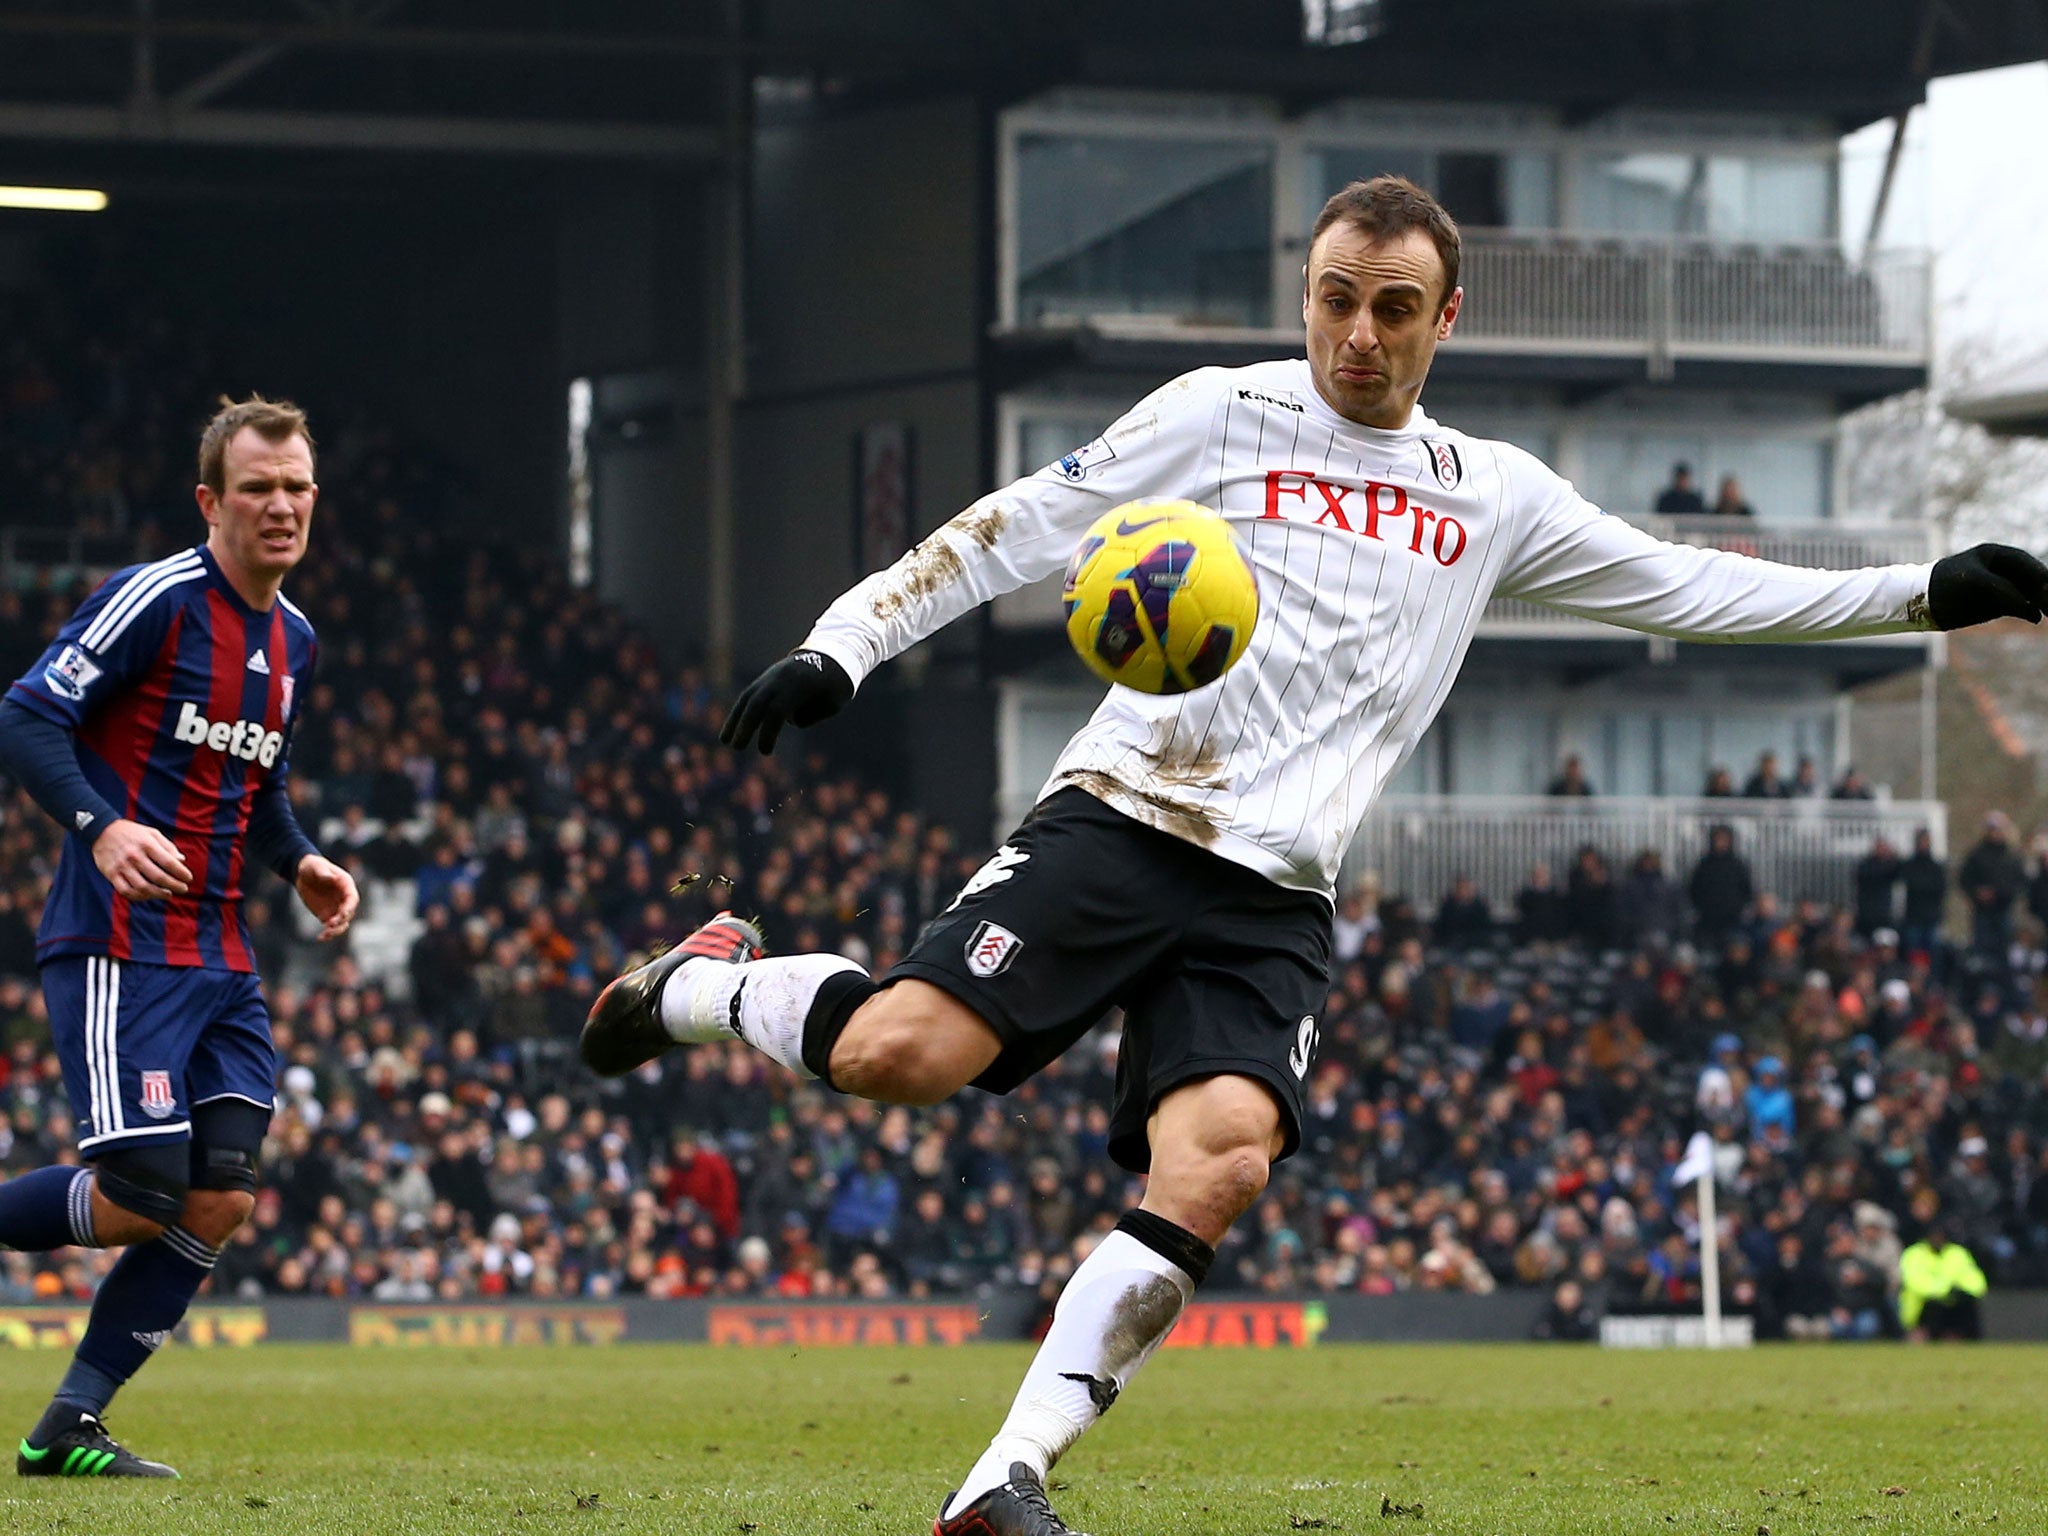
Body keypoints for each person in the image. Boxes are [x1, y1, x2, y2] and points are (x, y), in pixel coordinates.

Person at [582, 175, 2048, 1536]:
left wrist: (1925, 592)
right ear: (1307, 295)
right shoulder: (1221, 414)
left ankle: (997, 1482)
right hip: (1124, 817)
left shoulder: (1495, 494)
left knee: (1218, 1166)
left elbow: (1696, 587)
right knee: (901, 1057)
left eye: (1395, 305)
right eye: (1338, 296)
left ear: (1446, 317)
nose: (1360, 331)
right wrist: (844, 647)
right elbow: (1018, 525)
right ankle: (706, 985)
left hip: (1277, 892)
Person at [0, 397, 356, 1477]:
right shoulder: (157, 600)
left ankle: (68, 1427)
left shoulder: (293, 637)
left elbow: (260, 782)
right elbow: (25, 714)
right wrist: (101, 830)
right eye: (258, 488)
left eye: (296, 486)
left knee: (220, 1195)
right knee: (137, 1197)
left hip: (222, 956)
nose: (282, 505)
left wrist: (297, 857)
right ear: (212, 501)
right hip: (119, 942)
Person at [1897, 1222, 1987, 1340]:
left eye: (1940, 1236)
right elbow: (1916, 1282)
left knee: (1966, 1305)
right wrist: (1945, 1290)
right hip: (1922, 1308)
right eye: (1934, 1236)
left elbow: (1974, 1280)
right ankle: (1921, 1336)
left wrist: (1962, 1291)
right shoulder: (1914, 1253)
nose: (1937, 1239)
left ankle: (1959, 1340)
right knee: (1933, 1305)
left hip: (1952, 1305)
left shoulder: (1957, 1253)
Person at [1958, 812, 2024, 959]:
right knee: (1981, 951)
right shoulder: (1976, 855)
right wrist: (1977, 893)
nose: (1996, 833)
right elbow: (1965, 880)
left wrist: (1999, 893)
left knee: (2004, 950)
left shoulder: (2012, 856)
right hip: (1981, 912)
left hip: (2003, 910)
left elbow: (2018, 883)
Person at [1899, 829, 1948, 959]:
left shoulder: (1936, 867)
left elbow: (1940, 889)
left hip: (1931, 918)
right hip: (1913, 918)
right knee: (1914, 953)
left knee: (1933, 953)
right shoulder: (1909, 865)